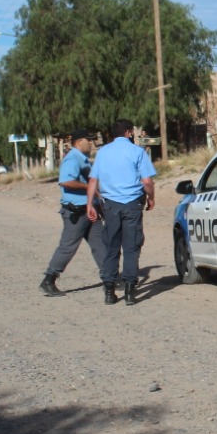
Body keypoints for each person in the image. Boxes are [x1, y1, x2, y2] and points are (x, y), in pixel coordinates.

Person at [87, 119, 156, 306]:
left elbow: (93, 181)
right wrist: (151, 198)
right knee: (131, 247)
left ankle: (109, 290)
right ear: (127, 132)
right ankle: (130, 291)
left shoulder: (103, 153)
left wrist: (89, 205)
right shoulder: (137, 152)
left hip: (110, 205)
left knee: (111, 247)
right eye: (131, 131)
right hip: (132, 204)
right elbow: (147, 181)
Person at [39, 129, 106, 297]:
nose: (91, 143)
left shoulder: (82, 159)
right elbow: (66, 181)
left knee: (101, 245)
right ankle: (49, 279)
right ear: (78, 142)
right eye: (88, 140)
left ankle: (110, 278)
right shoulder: (72, 159)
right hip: (76, 212)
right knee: (68, 247)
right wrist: (89, 187)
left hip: (90, 210)